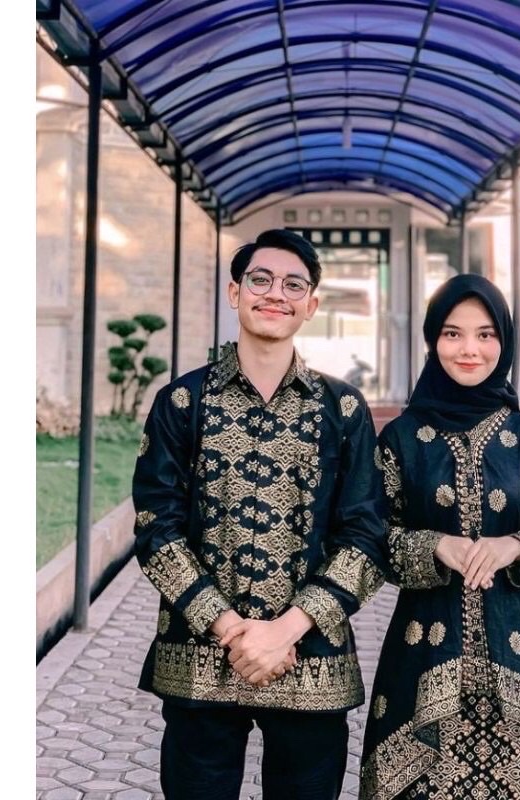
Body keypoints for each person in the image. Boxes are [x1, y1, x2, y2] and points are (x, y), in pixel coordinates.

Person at [132, 228, 387, 800]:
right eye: (261, 279)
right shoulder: (182, 402)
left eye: (294, 285)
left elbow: (366, 535)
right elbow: (156, 529)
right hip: (199, 658)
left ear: (311, 305)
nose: (276, 293)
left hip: (311, 660)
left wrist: (285, 631)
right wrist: (231, 630)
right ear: (235, 292)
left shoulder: (343, 407)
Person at [360, 274, 520, 800]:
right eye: (452, 333)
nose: (469, 349)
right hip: (425, 649)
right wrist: (435, 545)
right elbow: (375, 538)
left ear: (505, 342)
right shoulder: (401, 439)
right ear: (433, 340)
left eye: (485, 334)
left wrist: (514, 546)